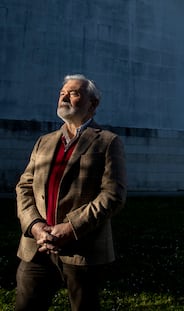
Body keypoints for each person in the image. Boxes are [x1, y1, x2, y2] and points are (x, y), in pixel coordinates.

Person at [15, 74, 127, 311]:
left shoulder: (107, 141)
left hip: (83, 249)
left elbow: (112, 195)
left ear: (93, 104)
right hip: (36, 246)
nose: (64, 97)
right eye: (62, 92)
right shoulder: (43, 141)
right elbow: (24, 186)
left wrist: (71, 228)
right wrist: (35, 226)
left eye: (74, 93)